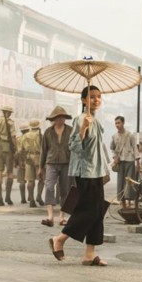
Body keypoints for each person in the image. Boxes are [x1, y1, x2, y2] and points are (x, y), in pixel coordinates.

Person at [49, 85, 111, 266]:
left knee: (98, 211)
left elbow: (100, 148)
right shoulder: (80, 120)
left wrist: (107, 168)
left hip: (97, 172)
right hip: (85, 172)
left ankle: (90, 254)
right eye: (92, 97)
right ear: (84, 100)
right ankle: (60, 239)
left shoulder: (97, 121)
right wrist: (83, 130)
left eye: (99, 96)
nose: (96, 100)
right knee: (89, 211)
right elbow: (74, 147)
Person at [41, 106, 73, 227]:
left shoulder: (71, 131)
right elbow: (43, 150)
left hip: (67, 163)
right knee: (49, 187)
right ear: (54, 118)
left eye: (62, 117)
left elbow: (76, 148)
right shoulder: (48, 132)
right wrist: (40, 167)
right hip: (51, 163)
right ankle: (50, 216)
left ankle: (62, 217)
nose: (60, 119)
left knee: (65, 190)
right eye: (58, 117)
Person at [0, 106, 18, 206]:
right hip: (8, 148)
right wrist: (16, 148)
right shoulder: (10, 123)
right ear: (8, 113)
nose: (10, 114)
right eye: (10, 112)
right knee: (9, 173)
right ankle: (8, 198)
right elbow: (13, 137)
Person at [110, 115, 139, 207]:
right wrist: (114, 157)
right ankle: (122, 202)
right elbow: (112, 148)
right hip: (120, 162)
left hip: (129, 160)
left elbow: (135, 147)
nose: (117, 125)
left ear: (123, 123)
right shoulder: (114, 136)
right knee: (120, 181)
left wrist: (137, 162)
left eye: (118, 123)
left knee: (129, 181)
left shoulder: (130, 135)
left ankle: (129, 202)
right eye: (116, 123)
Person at [21, 119, 45, 208]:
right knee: (41, 179)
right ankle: (39, 195)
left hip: (28, 158)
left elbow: (21, 150)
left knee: (30, 180)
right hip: (39, 158)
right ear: (38, 126)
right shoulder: (41, 135)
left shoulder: (25, 136)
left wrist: (23, 160)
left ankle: (31, 199)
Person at [14, 122, 30, 204]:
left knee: (22, 181)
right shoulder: (30, 138)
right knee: (31, 180)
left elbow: (16, 152)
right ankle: (30, 197)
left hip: (20, 160)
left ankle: (23, 198)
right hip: (30, 160)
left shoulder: (18, 139)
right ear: (28, 130)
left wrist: (16, 163)